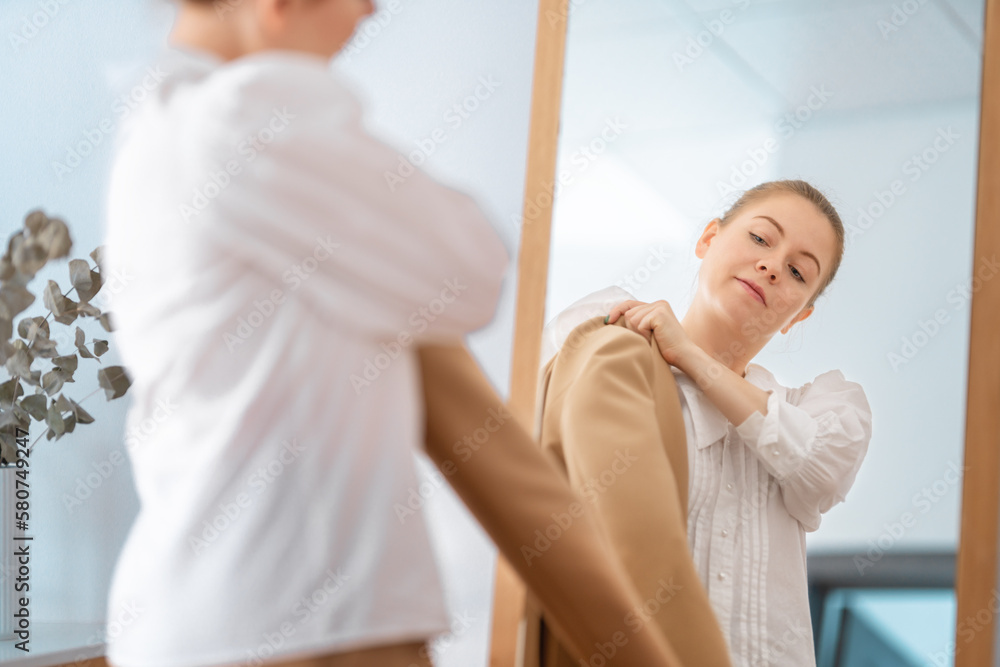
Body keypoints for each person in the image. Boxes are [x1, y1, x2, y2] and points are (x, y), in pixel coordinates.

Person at [100, 1, 689, 666]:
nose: (372, 9)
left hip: (221, 619)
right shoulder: (246, 116)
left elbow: (490, 451)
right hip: (306, 624)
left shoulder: (158, 133)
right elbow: (474, 268)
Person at [538, 180, 874, 666]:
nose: (772, 266)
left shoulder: (826, 409)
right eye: (761, 239)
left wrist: (692, 356)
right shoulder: (615, 333)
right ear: (708, 239)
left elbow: (818, 466)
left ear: (797, 318)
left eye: (799, 272)